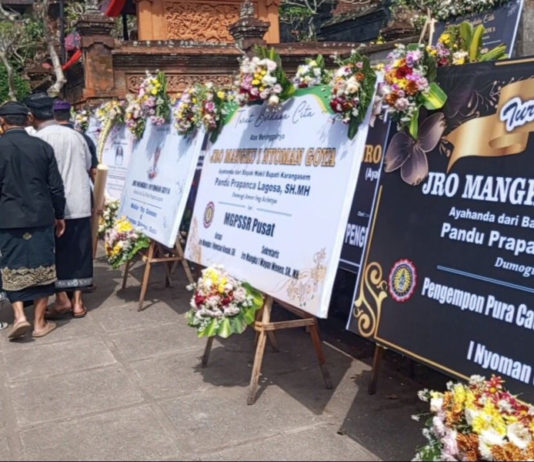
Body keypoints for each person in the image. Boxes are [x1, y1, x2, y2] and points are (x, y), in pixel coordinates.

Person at [0, 101, 66, 339]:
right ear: (27, 119)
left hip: (8, 218)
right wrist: (59, 214)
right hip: (40, 215)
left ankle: (19, 316)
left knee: (12, 265)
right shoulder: (42, 147)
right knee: (43, 266)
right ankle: (39, 323)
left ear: (2, 121)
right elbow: (56, 187)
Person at [25, 93, 93, 319]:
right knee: (79, 252)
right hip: (80, 201)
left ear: (32, 116)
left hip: (53, 206)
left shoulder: (37, 139)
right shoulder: (76, 136)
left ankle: (62, 298)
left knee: (55, 254)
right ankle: (78, 303)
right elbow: (88, 164)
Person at [53, 100, 98, 182]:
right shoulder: (84, 138)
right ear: (70, 115)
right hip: (79, 187)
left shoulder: (43, 137)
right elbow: (93, 171)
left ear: (53, 116)